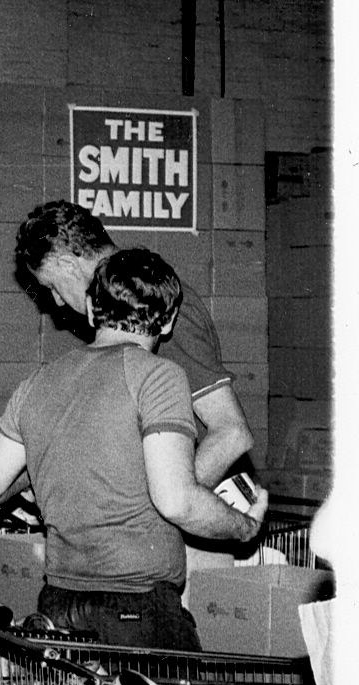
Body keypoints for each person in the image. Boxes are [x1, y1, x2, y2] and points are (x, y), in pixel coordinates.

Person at [0, 248, 267, 650]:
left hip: (57, 605)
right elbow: (176, 501)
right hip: (137, 613)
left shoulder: (38, 382)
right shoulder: (159, 376)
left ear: (91, 309)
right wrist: (243, 526)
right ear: (169, 319)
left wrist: (50, 468)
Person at [15, 200, 253, 487]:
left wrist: (161, 510)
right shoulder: (121, 307)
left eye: (53, 286)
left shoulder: (149, 310)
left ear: (68, 264)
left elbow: (231, 432)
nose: (57, 301)